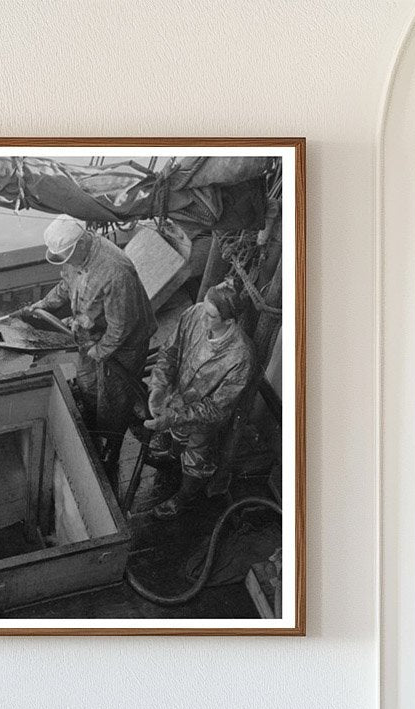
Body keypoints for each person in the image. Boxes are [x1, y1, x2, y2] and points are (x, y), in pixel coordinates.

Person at [22, 215, 156, 490]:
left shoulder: (116, 270)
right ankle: (95, 426)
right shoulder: (74, 260)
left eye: (69, 255)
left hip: (125, 345)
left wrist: (101, 350)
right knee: (87, 383)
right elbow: (65, 286)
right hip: (91, 334)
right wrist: (43, 306)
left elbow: (123, 326)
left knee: (114, 398)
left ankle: (111, 447)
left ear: (82, 242)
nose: (66, 262)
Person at [144, 281, 254, 519]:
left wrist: (174, 416)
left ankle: (183, 499)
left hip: (202, 421)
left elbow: (216, 409)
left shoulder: (240, 356)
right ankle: (173, 454)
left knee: (196, 458)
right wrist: (158, 385)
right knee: (176, 435)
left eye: (211, 315)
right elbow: (169, 351)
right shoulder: (195, 314)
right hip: (176, 396)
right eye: (203, 308)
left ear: (229, 321)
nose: (202, 317)